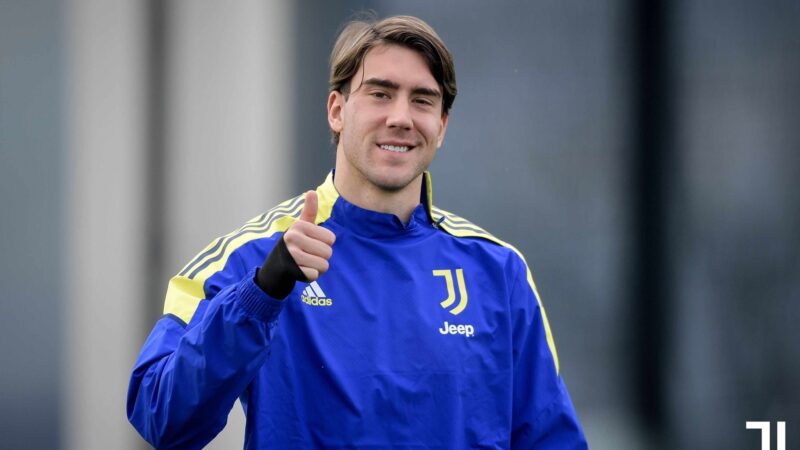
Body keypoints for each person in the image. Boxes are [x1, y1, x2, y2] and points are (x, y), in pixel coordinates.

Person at [127, 14, 587, 449]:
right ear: (337, 110)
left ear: (442, 126)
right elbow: (160, 416)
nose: (401, 117)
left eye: (422, 100)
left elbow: (551, 438)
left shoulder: (498, 271)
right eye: (380, 94)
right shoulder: (253, 257)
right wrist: (259, 296)